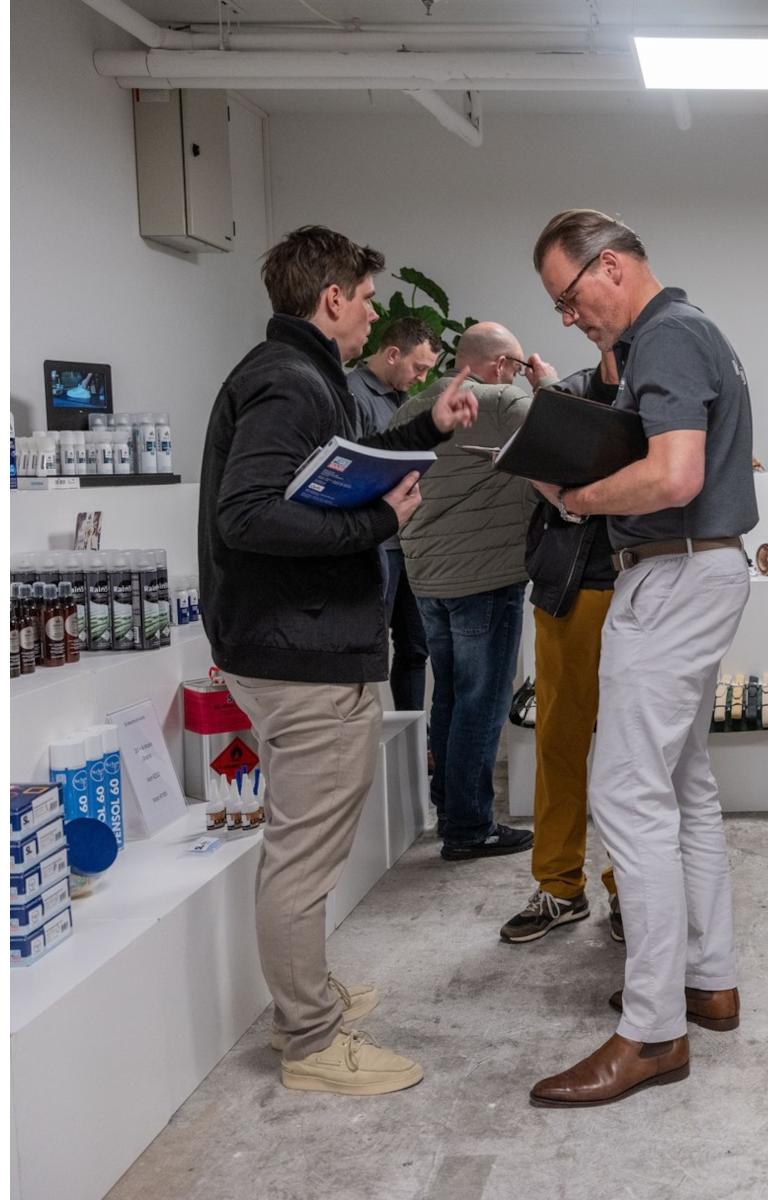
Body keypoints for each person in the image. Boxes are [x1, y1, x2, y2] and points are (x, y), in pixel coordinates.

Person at [198, 224, 478, 1093]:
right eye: (364, 300)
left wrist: (427, 425)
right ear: (331, 300)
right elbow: (247, 513)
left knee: (306, 847)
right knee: (304, 856)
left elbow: (334, 469)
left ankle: (305, 999)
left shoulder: (301, 374)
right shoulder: (289, 380)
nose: (370, 315)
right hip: (299, 650)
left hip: (303, 642)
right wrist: (375, 523)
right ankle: (311, 1040)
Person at [526, 210, 757, 1108]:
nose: (568, 316)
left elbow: (674, 475)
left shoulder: (666, 336)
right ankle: (707, 979)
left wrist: (575, 498)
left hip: (672, 573)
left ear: (611, 267)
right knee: (684, 785)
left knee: (627, 794)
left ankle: (654, 1031)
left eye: (569, 296)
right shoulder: (685, 333)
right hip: (695, 568)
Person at [390, 322, 547, 861]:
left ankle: (449, 809)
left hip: (428, 581)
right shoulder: (502, 401)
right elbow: (563, 439)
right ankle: (469, 827)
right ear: (501, 365)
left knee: (451, 695)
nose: (520, 376)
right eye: (519, 367)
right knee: (483, 702)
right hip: (486, 578)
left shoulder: (413, 410)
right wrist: (545, 386)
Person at [500, 351, 624, 945]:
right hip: (569, 588)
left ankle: (630, 887)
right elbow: (536, 473)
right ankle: (559, 885)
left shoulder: (663, 392)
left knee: (635, 754)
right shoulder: (569, 394)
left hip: (644, 590)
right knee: (559, 742)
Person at [346, 316, 440, 714]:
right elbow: (352, 469)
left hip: (410, 544)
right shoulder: (352, 394)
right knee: (370, 649)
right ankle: (366, 733)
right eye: (418, 367)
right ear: (392, 354)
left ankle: (412, 738)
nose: (421, 378)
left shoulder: (406, 399)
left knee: (415, 647)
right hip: (377, 543)